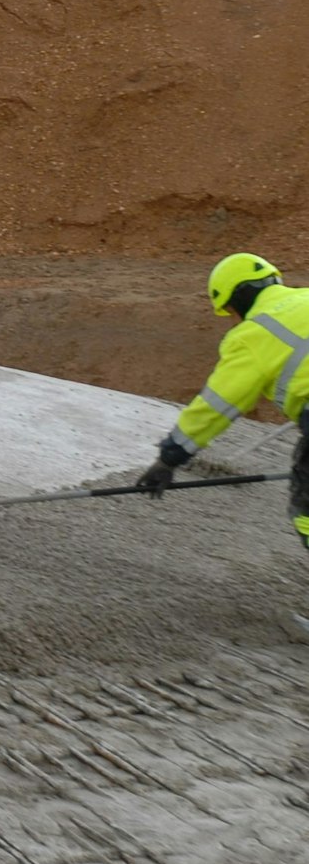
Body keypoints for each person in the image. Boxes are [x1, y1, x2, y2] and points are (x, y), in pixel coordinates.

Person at [135, 253, 309, 624]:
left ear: (239, 298)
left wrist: (170, 458)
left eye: (229, 308)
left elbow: (216, 405)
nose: (232, 317)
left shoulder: (254, 334)